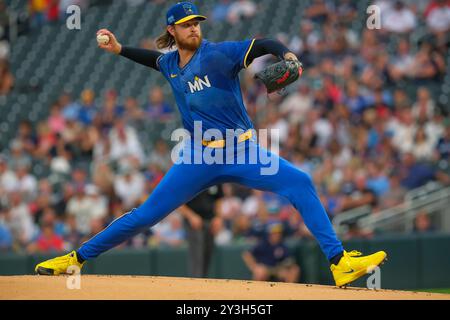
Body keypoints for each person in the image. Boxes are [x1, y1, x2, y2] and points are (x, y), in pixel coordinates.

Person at [35, 2, 386, 287]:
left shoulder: (220, 54)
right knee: (146, 216)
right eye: (186, 24)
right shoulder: (170, 63)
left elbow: (262, 44)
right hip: (198, 155)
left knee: (300, 182)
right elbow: (152, 59)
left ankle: (339, 262)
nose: (194, 28)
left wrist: (288, 56)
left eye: (196, 23)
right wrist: (119, 49)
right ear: (172, 30)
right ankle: (75, 259)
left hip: (244, 151)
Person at [178, 185, 224, 278]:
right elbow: (177, 200)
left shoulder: (215, 173)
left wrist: (218, 217)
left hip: (210, 220)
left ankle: (203, 282)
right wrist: (191, 216)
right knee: (197, 253)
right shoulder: (189, 174)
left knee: (208, 252)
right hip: (193, 221)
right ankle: (195, 283)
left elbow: (218, 198)